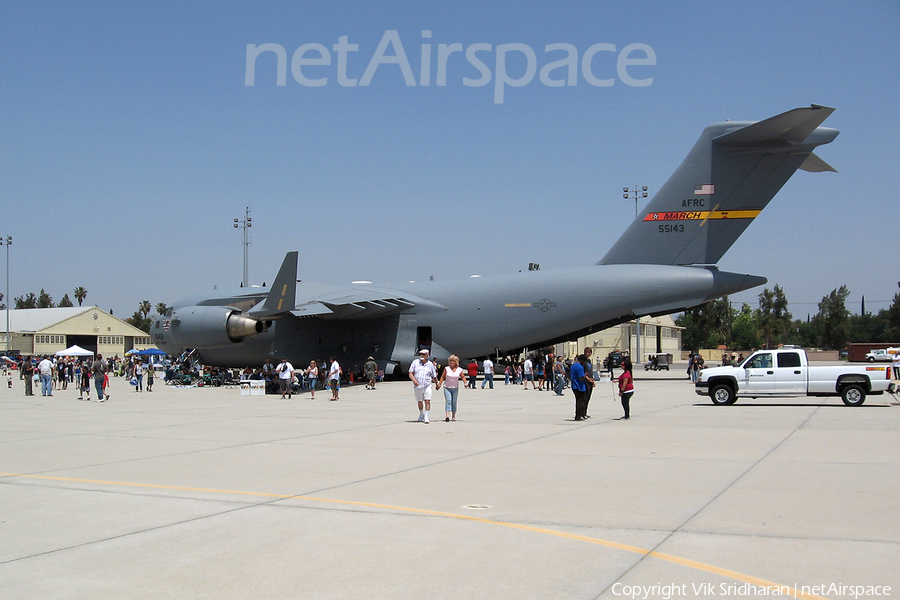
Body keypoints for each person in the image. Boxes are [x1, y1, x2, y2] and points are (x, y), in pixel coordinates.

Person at [409, 349, 438, 423]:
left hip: (427, 385)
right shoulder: (415, 362)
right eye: (421, 354)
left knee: (427, 400)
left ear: (427, 356)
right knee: (420, 401)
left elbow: (434, 376)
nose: (422, 355)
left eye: (424, 354)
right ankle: (421, 414)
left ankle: (426, 416)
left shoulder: (430, 364)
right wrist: (414, 380)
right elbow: (410, 373)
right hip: (418, 386)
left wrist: (437, 384)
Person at [436, 354, 466, 421]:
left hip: (455, 388)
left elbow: (463, 377)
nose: (451, 362)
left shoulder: (459, 370)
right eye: (450, 361)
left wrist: (465, 383)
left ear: (456, 362)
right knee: (448, 401)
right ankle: (447, 416)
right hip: (447, 387)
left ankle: (453, 416)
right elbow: (443, 377)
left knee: (454, 402)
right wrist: (439, 384)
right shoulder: (446, 369)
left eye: (453, 361)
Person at [570, 354, 588, 420]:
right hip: (580, 386)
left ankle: (579, 414)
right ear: (582, 360)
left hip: (574, 385)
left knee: (578, 400)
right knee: (581, 401)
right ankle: (579, 415)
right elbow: (581, 377)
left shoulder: (573, 365)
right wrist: (585, 375)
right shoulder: (580, 367)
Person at [581, 347, 596, 416]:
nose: (589, 353)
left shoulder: (589, 361)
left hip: (590, 380)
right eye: (588, 352)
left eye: (590, 352)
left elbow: (590, 371)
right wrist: (588, 379)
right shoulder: (583, 361)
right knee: (584, 398)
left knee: (588, 398)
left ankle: (585, 412)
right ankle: (582, 413)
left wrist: (592, 380)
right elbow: (583, 372)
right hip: (586, 381)